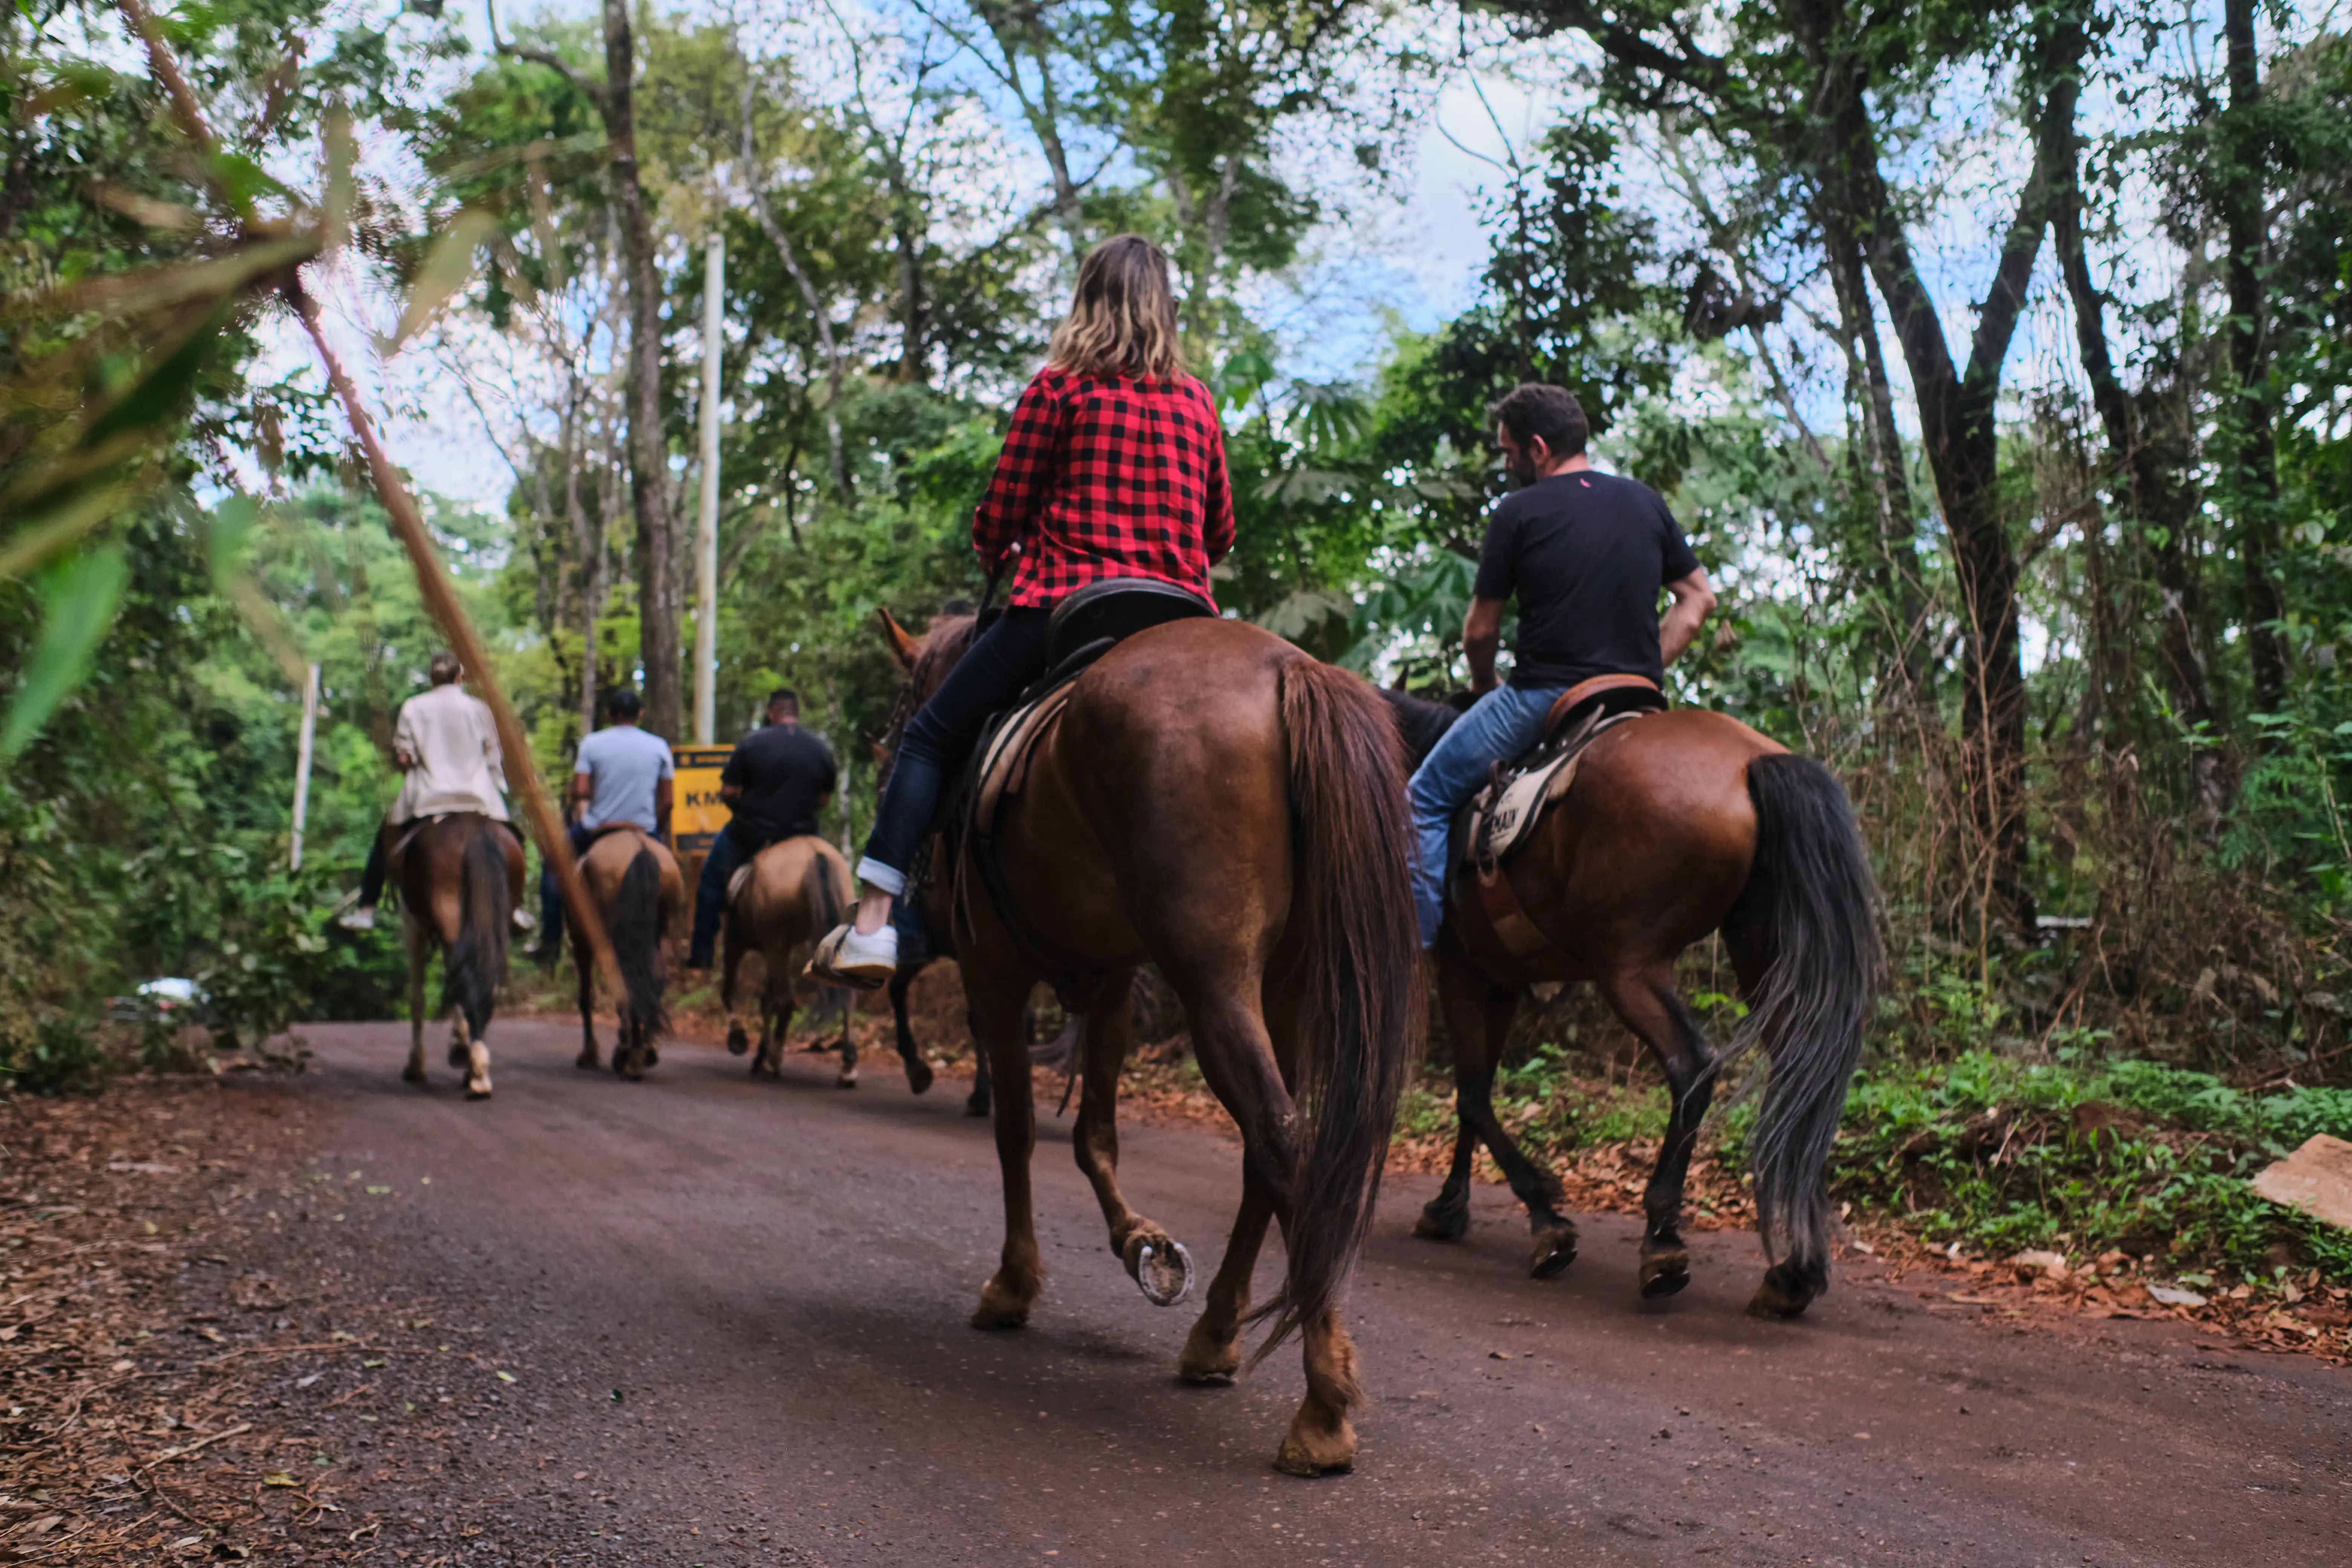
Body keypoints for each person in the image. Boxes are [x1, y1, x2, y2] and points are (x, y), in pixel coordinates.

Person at [807, 233, 1235, 987]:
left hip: (1066, 614)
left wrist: (993, 545)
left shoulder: (1058, 390)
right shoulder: (1196, 400)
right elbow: (1221, 531)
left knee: (929, 737)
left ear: (1088, 300)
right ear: (1163, 305)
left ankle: (872, 925)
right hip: (1179, 621)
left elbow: (1000, 514)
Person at [1405, 383, 1717, 950]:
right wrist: (1644, 666)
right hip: (1635, 693)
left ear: (1539, 448)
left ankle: (1410, 956)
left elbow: (1480, 631)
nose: (1507, 464)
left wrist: (1484, 685)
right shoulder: (1644, 501)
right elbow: (1698, 600)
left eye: (1509, 452)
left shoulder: (1518, 512)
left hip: (1543, 695)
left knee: (1422, 800)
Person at [339, 651, 530, 932]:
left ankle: (366, 911)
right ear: (460, 677)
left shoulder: (414, 707)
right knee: (514, 839)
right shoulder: (479, 709)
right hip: (478, 798)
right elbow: (493, 756)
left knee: (384, 841)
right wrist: (497, 784)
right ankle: (515, 907)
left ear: (431, 677)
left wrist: (406, 763)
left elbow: (404, 759)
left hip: (428, 798)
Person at [684, 688, 838, 969]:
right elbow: (824, 800)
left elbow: (729, 792)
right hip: (804, 833)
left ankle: (702, 953)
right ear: (796, 713)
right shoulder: (820, 749)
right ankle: (846, 953)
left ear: (771, 712)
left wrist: (742, 808)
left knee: (710, 881)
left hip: (752, 833)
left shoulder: (752, 744)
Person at [532, 686, 674, 957]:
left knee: (553, 865)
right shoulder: (659, 746)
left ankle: (550, 939)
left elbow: (580, 791)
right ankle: (673, 943)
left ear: (610, 715)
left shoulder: (593, 744)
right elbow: (668, 801)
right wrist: (654, 826)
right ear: (640, 715)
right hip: (644, 828)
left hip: (599, 828)